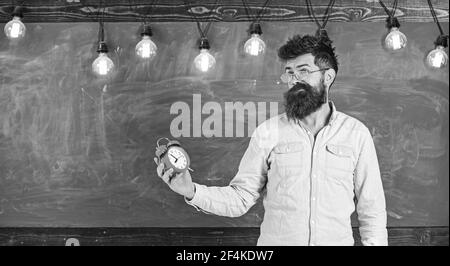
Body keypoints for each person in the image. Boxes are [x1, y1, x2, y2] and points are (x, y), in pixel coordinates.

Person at [155, 34, 388, 246]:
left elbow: (372, 210)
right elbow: (241, 198)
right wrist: (191, 190)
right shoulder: (268, 132)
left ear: (328, 76)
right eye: (289, 71)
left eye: (303, 71)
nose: (293, 79)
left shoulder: (356, 134)